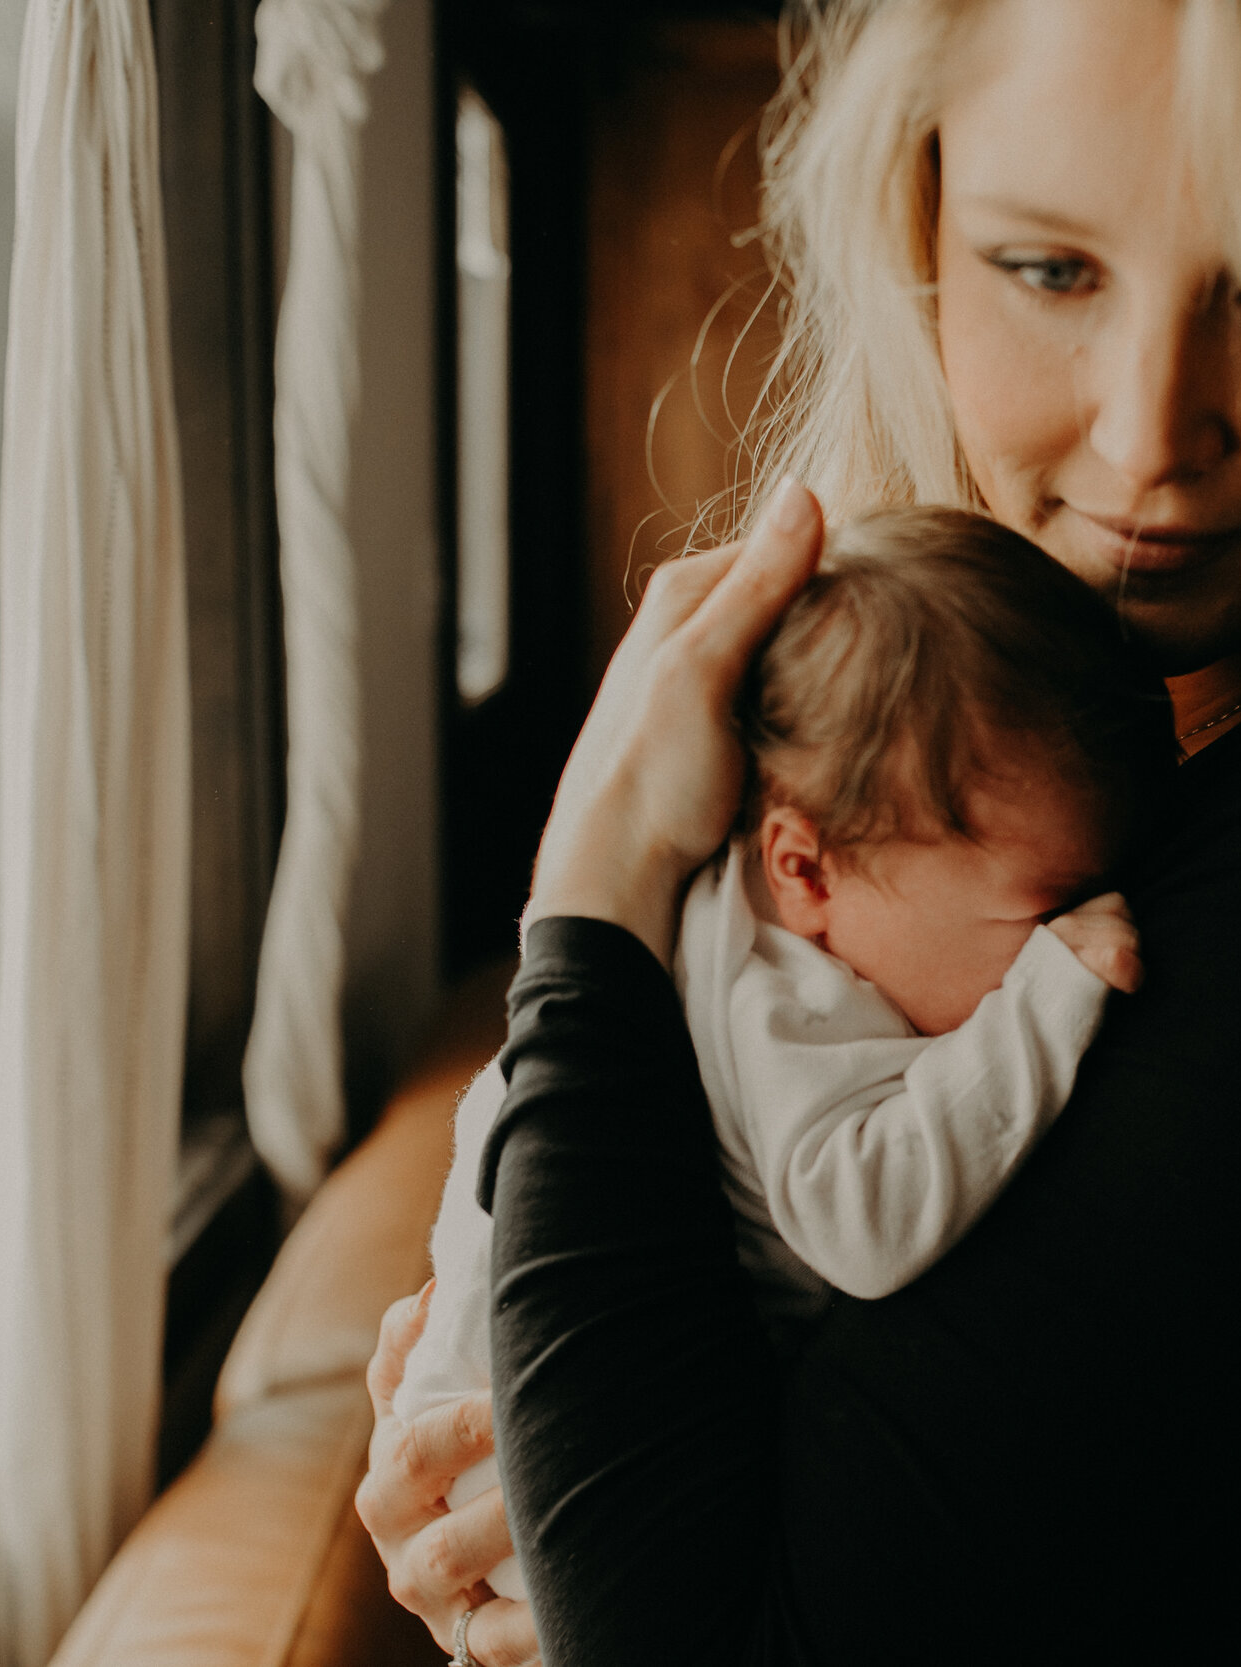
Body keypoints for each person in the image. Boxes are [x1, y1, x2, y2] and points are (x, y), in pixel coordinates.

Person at [358, 1, 1241, 1660]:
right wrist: (512, 1444)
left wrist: (596, 875)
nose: (1147, 437)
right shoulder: (1066, 753)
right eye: (1049, 270)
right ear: (913, 232)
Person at [390, 509, 1165, 1601]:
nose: (1081, 920)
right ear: (804, 869)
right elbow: (864, 1220)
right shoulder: (782, 1000)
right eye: (1042, 910)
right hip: (539, 1484)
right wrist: (1047, 996)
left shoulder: (790, 908)